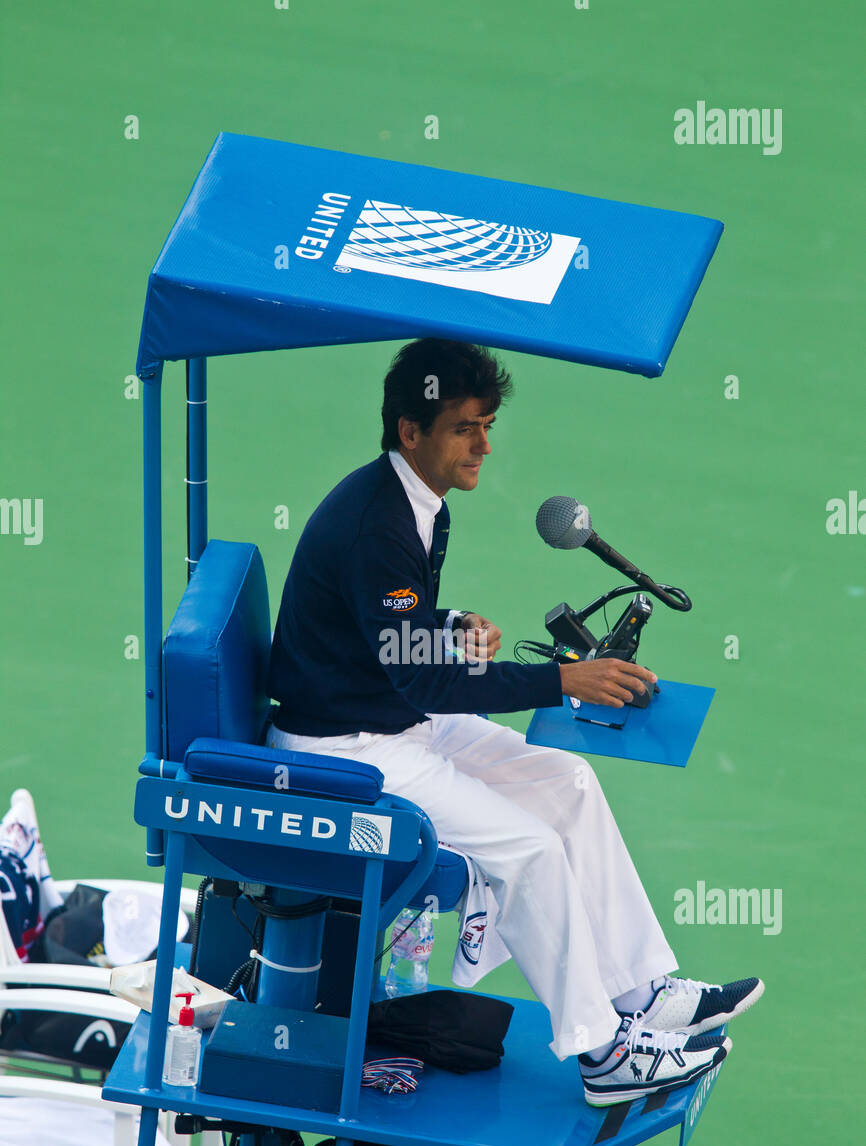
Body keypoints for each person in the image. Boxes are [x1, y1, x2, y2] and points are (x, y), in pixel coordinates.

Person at [266, 338, 763, 1105]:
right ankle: (604, 1056)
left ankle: (639, 991)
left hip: (388, 718)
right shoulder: (380, 526)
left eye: (488, 425)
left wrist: (453, 621)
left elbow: (393, 633)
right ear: (411, 430)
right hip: (343, 752)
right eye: (466, 427)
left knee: (566, 780)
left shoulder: (414, 505)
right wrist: (565, 680)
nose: (484, 445)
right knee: (529, 850)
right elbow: (423, 676)